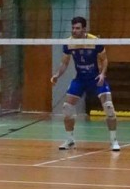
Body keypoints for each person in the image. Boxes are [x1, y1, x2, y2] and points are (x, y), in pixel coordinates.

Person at [50, 17, 119, 152]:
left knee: (109, 107)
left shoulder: (95, 41)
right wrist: (57, 75)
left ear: (84, 29)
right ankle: (70, 140)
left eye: (77, 28)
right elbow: (64, 63)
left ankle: (113, 141)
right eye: (73, 28)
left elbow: (104, 60)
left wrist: (102, 74)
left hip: (96, 78)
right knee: (67, 107)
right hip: (80, 79)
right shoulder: (69, 43)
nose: (74, 30)